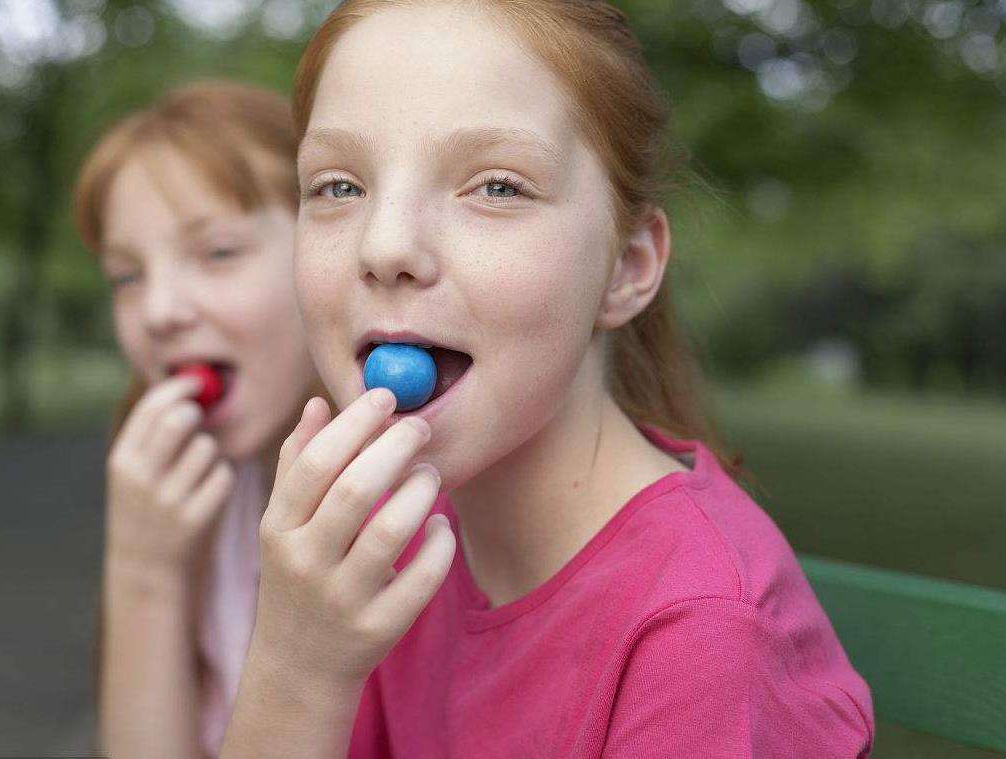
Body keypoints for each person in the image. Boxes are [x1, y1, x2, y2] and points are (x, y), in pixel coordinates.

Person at [219, 2, 875, 757]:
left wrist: (295, 675)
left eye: (496, 186)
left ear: (626, 268)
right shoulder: (385, 554)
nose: (386, 242)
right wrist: (295, 667)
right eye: (337, 186)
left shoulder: (702, 638)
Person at [71, 81, 320, 758]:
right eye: (127, 277)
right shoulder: (209, 508)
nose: (159, 311)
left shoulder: (431, 511)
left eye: (217, 253)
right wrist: (144, 568)